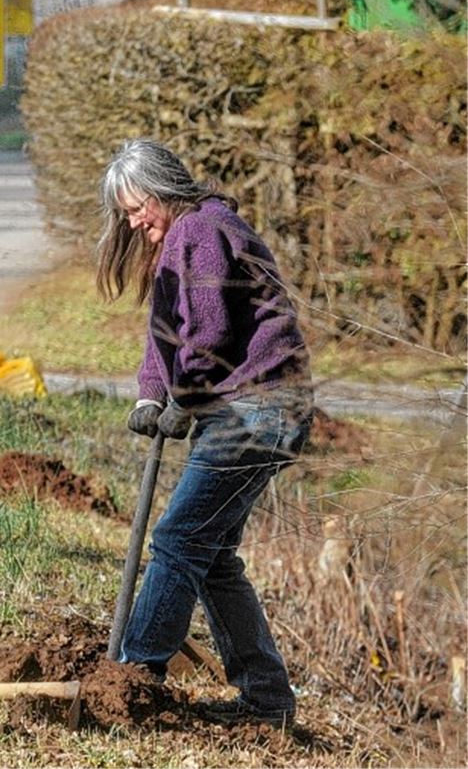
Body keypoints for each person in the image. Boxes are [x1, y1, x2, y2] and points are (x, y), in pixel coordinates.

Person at [97, 138, 313, 728]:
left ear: (165, 188)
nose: (135, 219)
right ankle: (267, 701)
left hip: (258, 407)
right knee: (212, 558)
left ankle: (134, 677)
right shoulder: (183, 237)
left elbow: (208, 333)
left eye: (138, 204)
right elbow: (165, 331)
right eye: (125, 212)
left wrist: (184, 400)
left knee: (177, 541)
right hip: (259, 409)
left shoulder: (202, 230)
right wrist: (151, 392)